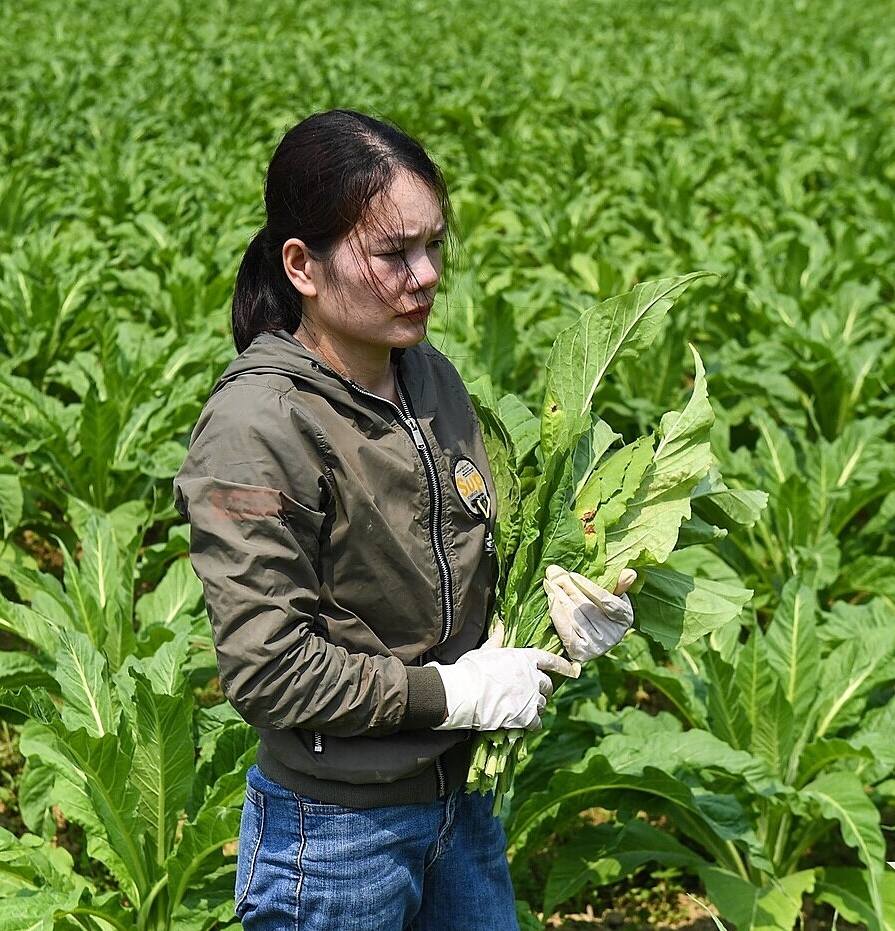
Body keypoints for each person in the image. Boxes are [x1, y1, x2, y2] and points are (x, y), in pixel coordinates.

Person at [173, 109, 635, 931]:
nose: (425, 275)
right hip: (336, 838)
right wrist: (452, 694)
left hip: (464, 813)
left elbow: (471, 574)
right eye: (393, 253)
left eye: (434, 246)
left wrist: (564, 613)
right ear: (301, 267)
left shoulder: (433, 382)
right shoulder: (259, 427)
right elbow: (268, 670)